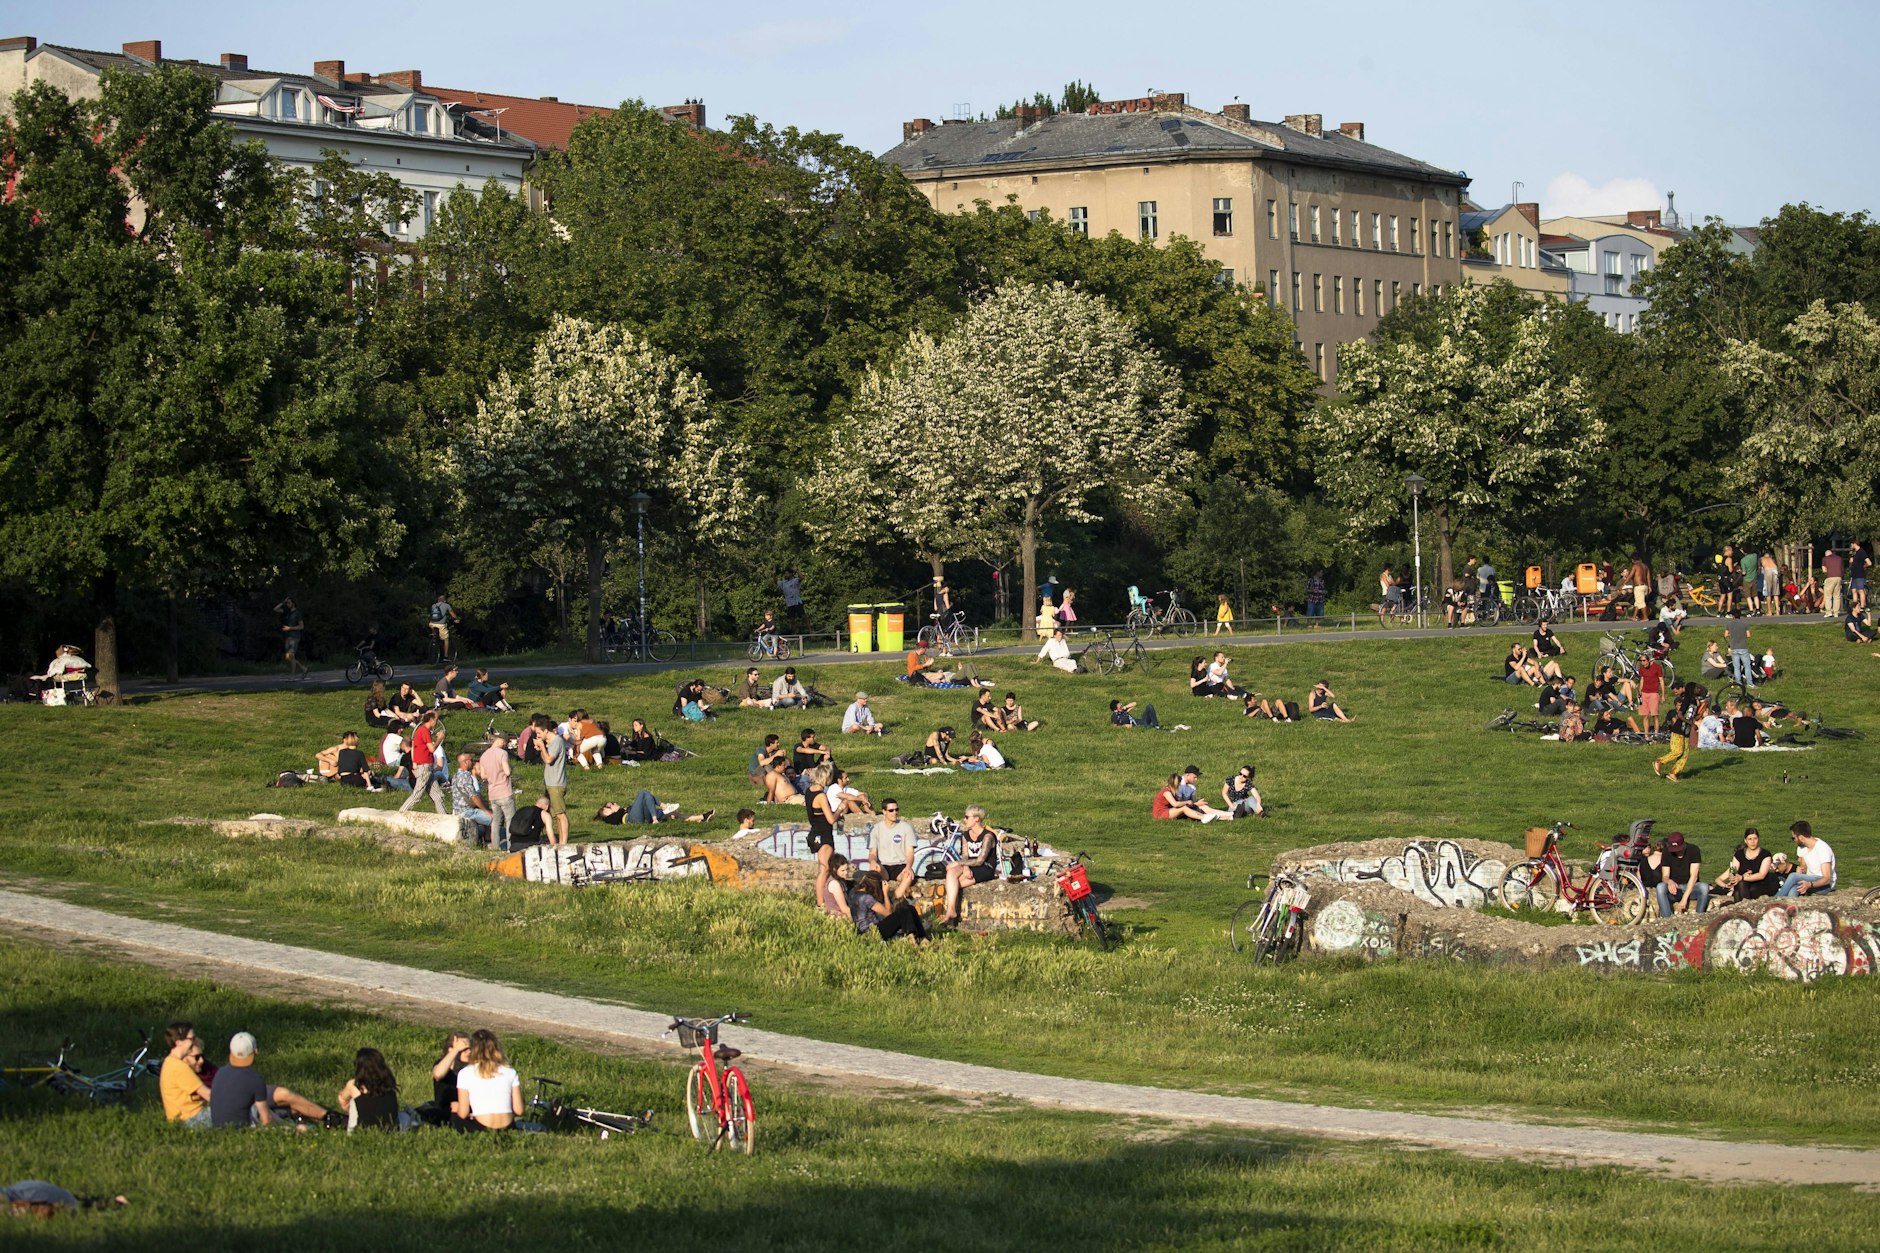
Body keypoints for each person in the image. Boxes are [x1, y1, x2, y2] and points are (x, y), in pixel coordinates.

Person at [209, 1032, 330, 1128]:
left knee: (284, 1109)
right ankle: (323, 1123)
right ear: (255, 1053)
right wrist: (288, 1129)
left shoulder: (220, 1073)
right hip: (243, 1131)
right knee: (301, 1128)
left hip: (218, 1127)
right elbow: (266, 1120)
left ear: (231, 1052)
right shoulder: (255, 1080)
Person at [939, 804, 1001, 925]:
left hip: (985, 868)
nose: (964, 819)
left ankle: (950, 916)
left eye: (967, 817)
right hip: (970, 865)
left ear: (976, 819)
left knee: (954, 885)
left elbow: (980, 860)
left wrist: (957, 863)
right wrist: (965, 866)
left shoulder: (988, 836)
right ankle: (951, 912)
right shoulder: (966, 835)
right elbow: (965, 855)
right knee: (951, 873)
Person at [451, 1029, 522, 1132]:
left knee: (455, 1115)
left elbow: (463, 1113)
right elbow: (519, 1110)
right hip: (507, 1127)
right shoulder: (510, 1072)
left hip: (481, 1127)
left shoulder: (465, 1073)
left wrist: (456, 1110)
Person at [850, 869, 929, 944]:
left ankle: (921, 937)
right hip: (872, 932)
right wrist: (885, 893)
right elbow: (888, 912)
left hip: (872, 928)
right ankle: (913, 937)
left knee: (910, 909)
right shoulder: (866, 898)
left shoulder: (856, 894)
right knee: (904, 911)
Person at [159, 1021, 213, 1128]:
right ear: (179, 1042)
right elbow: (208, 1095)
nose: (194, 1042)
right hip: (191, 1119)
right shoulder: (178, 1067)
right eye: (191, 1039)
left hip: (186, 1118)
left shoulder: (170, 1063)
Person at [334, 1047, 400, 1131]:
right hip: (392, 1130)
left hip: (362, 1131)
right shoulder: (388, 1083)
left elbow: (342, 1099)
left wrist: (348, 1109)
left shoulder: (354, 1085)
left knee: (353, 1101)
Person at [398, 711, 448, 814]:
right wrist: (439, 739)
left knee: (438, 796)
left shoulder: (419, 731)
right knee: (417, 794)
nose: (437, 722)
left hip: (426, 767)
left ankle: (444, 816)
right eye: (436, 720)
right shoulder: (424, 731)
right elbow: (431, 749)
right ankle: (401, 812)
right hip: (425, 767)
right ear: (431, 720)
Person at [868, 801, 919, 899]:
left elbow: (910, 852)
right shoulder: (876, 829)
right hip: (884, 866)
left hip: (900, 865)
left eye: (896, 810)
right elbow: (872, 853)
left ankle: (895, 898)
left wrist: (908, 867)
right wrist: (873, 861)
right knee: (873, 869)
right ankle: (876, 899)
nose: (894, 813)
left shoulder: (906, 827)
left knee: (908, 875)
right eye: (891, 810)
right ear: (884, 812)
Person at [475, 731, 515, 851]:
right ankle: (510, 847)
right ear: (502, 741)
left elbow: (483, 775)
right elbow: (507, 771)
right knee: (509, 821)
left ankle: (495, 847)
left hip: (492, 793)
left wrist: (493, 775)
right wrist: (509, 770)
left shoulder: (484, 755)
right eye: (506, 743)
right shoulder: (502, 753)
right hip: (505, 791)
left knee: (496, 822)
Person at [1654, 831, 1709, 917]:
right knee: (1660, 887)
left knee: (1704, 887)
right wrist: (1669, 881)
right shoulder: (1666, 852)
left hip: (1690, 887)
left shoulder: (1694, 850)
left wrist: (1684, 899)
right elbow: (1665, 876)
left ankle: (1699, 916)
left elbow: (1694, 876)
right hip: (1675, 889)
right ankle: (1667, 919)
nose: (1676, 852)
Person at [1716, 828, 1778, 901]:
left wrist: (1742, 877)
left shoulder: (1765, 854)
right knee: (1739, 889)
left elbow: (1761, 875)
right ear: (1745, 840)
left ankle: (1744, 907)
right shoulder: (1739, 854)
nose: (1752, 841)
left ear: (1758, 839)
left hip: (1759, 884)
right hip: (1742, 884)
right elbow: (1733, 869)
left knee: (1742, 890)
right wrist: (1733, 876)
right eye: (1750, 839)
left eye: (1755, 838)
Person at [1777, 821, 1836, 897]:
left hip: (1824, 885)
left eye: (1793, 838)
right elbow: (1803, 868)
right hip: (1809, 879)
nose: (1793, 840)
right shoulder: (1802, 848)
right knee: (1793, 890)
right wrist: (1801, 869)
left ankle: (1774, 900)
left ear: (1801, 837)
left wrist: (1810, 884)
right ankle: (1790, 907)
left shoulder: (1822, 849)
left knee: (1793, 876)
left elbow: (1826, 878)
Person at [536, 713, 570, 845]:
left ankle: (563, 842)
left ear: (546, 730)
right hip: (551, 783)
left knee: (560, 814)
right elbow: (546, 759)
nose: (538, 735)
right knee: (556, 815)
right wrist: (541, 748)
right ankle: (561, 841)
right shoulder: (551, 743)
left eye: (539, 733)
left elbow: (549, 759)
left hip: (556, 783)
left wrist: (543, 746)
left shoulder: (556, 741)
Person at [1152, 773, 1230, 822]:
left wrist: (1194, 804)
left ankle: (1225, 817)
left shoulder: (1172, 792)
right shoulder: (1166, 792)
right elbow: (1175, 804)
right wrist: (1186, 802)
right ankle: (1204, 817)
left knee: (1188, 809)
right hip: (1160, 814)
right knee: (1184, 808)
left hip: (1168, 811)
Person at [596, 792, 713, 824]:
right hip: (631, 820)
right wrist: (620, 810)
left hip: (644, 818)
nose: (614, 804)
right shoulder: (610, 818)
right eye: (611, 805)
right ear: (606, 812)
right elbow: (616, 819)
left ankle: (702, 817)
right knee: (642, 793)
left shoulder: (625, 809)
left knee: (673, 813)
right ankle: (661, 810)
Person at [450, 751, 493, 835]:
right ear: (465, 762)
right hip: (466, 811)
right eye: (471, 760)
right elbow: (473, 796)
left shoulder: (455, 776)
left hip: (457, 810)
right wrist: (486, 811)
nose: (472, 762)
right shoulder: (466, 776)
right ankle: (493, 843)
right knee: (495, 819)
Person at [1653, 699, 1691, 780]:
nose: (1680, 707)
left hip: (1686, 733)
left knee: (1684, 755)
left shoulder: (1690, 709)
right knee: (1677, 751)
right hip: (1677, 732)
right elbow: (1670, 722)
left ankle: (1673, 773)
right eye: (1678, 705)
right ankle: (1659, 761)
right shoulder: (1673, 713)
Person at [275, 598, 309, 680]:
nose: (287, 604)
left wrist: (290, 628)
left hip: (295, 637)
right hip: (287, 637)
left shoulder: (297, 613)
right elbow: (275, 609)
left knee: (291, 655)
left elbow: (301, 626)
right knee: (288, 657)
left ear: (293, 603)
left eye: (289, 603)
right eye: (287, 603)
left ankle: (292, 676)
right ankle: (304, 669)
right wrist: (283, 602)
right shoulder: (287, 612)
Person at [1636, 654, 1664, 736]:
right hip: (1644, 693)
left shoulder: (1657, 667)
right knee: (1644, 715)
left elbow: (1661, 680)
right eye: (1641, 661)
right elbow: (1642, 679)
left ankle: (1656, 733)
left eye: (1644, 660)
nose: (1642, 663)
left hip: (1654, 693)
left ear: (1648, 660)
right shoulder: (1641, 668)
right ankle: (1646, 734)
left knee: (1654, 715)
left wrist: (1662, 695)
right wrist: (1640, 691)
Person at [427, 592, 460, 660]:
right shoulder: (446, 605)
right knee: (446, 639)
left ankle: (434, 637)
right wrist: (456, 619)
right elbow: (453, 614)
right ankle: (445, 656)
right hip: (441, 625)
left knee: (436, 635)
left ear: (438, 600)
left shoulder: (433, 605)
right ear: (444, 600)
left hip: (431, 624)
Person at [1726, 614, 1754, 689]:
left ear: (1733, 616)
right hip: (1743, 647)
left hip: (1734, 648)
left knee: (1736, 667)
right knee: (1747, 666)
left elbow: (1726, 634)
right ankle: (1750, 683)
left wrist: (1731, 635)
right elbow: (1748, 635)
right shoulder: (1744, 624)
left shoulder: (1729, 624)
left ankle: (1739, 684)